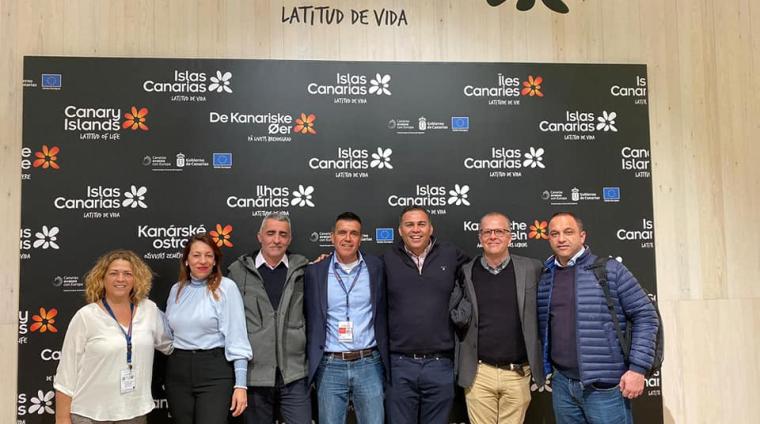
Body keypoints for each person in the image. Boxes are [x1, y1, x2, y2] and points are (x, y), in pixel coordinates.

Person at [537, 212, 659, 424]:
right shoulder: (546, 276)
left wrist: (638, 369)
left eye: (568, 232)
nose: (561, 239)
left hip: (605, 387)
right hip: (563, 384)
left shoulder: (609, 270)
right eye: (554, 234)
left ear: (582, 236)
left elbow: (646, 316)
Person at [54, 250, 173, 424]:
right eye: (114, 273)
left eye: (128, 274)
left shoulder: (149, 310)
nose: (120, 279)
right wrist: (62, 418)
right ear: (102, 278)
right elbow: (66, 373)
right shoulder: (86, 316)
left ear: (136, 279)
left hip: (134, 413)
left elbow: (170, 345)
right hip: (90, 414)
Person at [383, 206, 469, 424]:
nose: (416, 230)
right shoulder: (386, 259)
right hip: (399, 364)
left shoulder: (451, 254)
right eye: (409, 225)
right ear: (400, 230)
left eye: (421, 224)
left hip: (440, 364)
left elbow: (479, 272)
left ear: (431, 228)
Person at [456, 212, 544, 424]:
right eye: (487, 232)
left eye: (499, 231)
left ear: (510, 236)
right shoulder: (466, 271)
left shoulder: (532, 268)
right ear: (480, 237)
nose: (493, 236)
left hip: (517, 373)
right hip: (479, 373)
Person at [304, 212, 389, 424]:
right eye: (342, 233)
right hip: (330, 365)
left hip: (369, 363)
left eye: (354, 233)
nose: (348, 238)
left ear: (361, 238)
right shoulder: (315, 271)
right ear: (332, 237)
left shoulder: (377, 267)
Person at [227, 213, 311, 424]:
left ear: (289, 239)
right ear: (260, 236)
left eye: (283, 234)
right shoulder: (237, 272)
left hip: (294, 374)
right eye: (271, 233)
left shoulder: (303, 270)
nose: (276, 240)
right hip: (255, 375)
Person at [165, 233, 253, 423]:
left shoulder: (226, 288)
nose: (203, 261)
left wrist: (241, 385)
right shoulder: (176, 290)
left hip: (214, 372)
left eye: (208, 255)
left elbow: (237, 337)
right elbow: (167, 332)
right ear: (186, 260)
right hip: (177, 371)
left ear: (215, 261)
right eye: (196, 255)